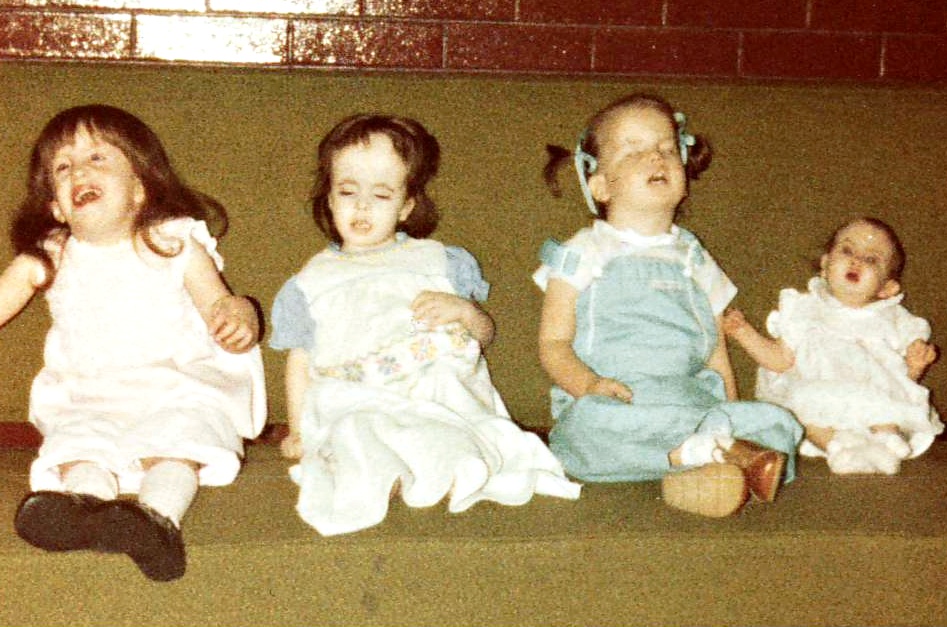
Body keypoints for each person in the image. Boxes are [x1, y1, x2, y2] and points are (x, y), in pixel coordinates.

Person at [270, 114, 579, 536]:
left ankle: (452, 465)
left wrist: (465, 312)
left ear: (407, 205)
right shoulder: (310, 280)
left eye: (380, 194)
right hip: (358, 394)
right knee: (357, 430)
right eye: (347, 191)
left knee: (449, 424)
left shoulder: (438, 260)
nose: (361, 206)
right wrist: (300, 429)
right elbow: (300, 360)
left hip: (435, 387)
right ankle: (395, 476)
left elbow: (485, 336)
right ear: (328, 198)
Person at [6, 104, 266, 581]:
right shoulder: (54, 254)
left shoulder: (172, 241)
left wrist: (239, 314)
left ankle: (156, 519)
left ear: (140, 190)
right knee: (77, 446)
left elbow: (218, 305)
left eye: (97, 158)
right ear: (57, 207)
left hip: (175, 387)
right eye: (62, 167)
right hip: (91, 396)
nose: (79, 170)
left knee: (180, 440)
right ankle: (84, 509)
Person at [535, 93, 803, 518]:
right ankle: (715, 454)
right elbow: (553, 343)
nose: (655, 157)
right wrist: (587, 386)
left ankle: (696, 458)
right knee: (586, 431)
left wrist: (729, 408)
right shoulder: (582, 251)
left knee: (780, 424)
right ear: (600, 184)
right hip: (617, 402)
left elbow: (716, 350)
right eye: (634, 150)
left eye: (665, 148)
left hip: (691, 404)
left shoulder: (694, 257)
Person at [724, 217, 944, 475]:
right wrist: (744, 333)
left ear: (887, 288)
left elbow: (901, 379)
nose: (856, 261)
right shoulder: (803, 309)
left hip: (871, 402)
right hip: (818, 397)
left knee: (886, 399)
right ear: (825, 265)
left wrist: (915, 363)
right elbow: (780, 360)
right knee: (799, 408)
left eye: (871, 259)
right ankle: (838, 447)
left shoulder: (894, 319)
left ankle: (886, 439)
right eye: (848, 250)